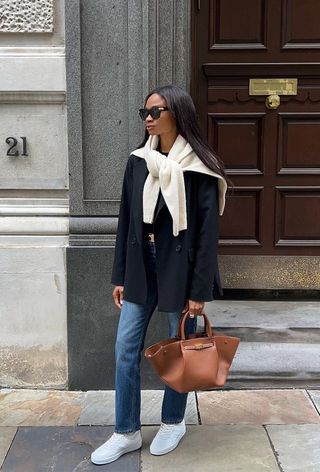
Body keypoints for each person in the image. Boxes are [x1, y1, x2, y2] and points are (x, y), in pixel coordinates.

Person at [91, 84, 228, 465]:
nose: (148, 119)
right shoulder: (138, 161)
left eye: (156, 111)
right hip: (141, 266)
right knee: (125, 350)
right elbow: (126, 222)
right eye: (145, 113)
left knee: (179, 347)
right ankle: (126, 431)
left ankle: (172, 421)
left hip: (179, 271)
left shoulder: (199, 166)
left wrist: (199, 289)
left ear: (177, 114)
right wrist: (119, 275)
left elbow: (206, 235)